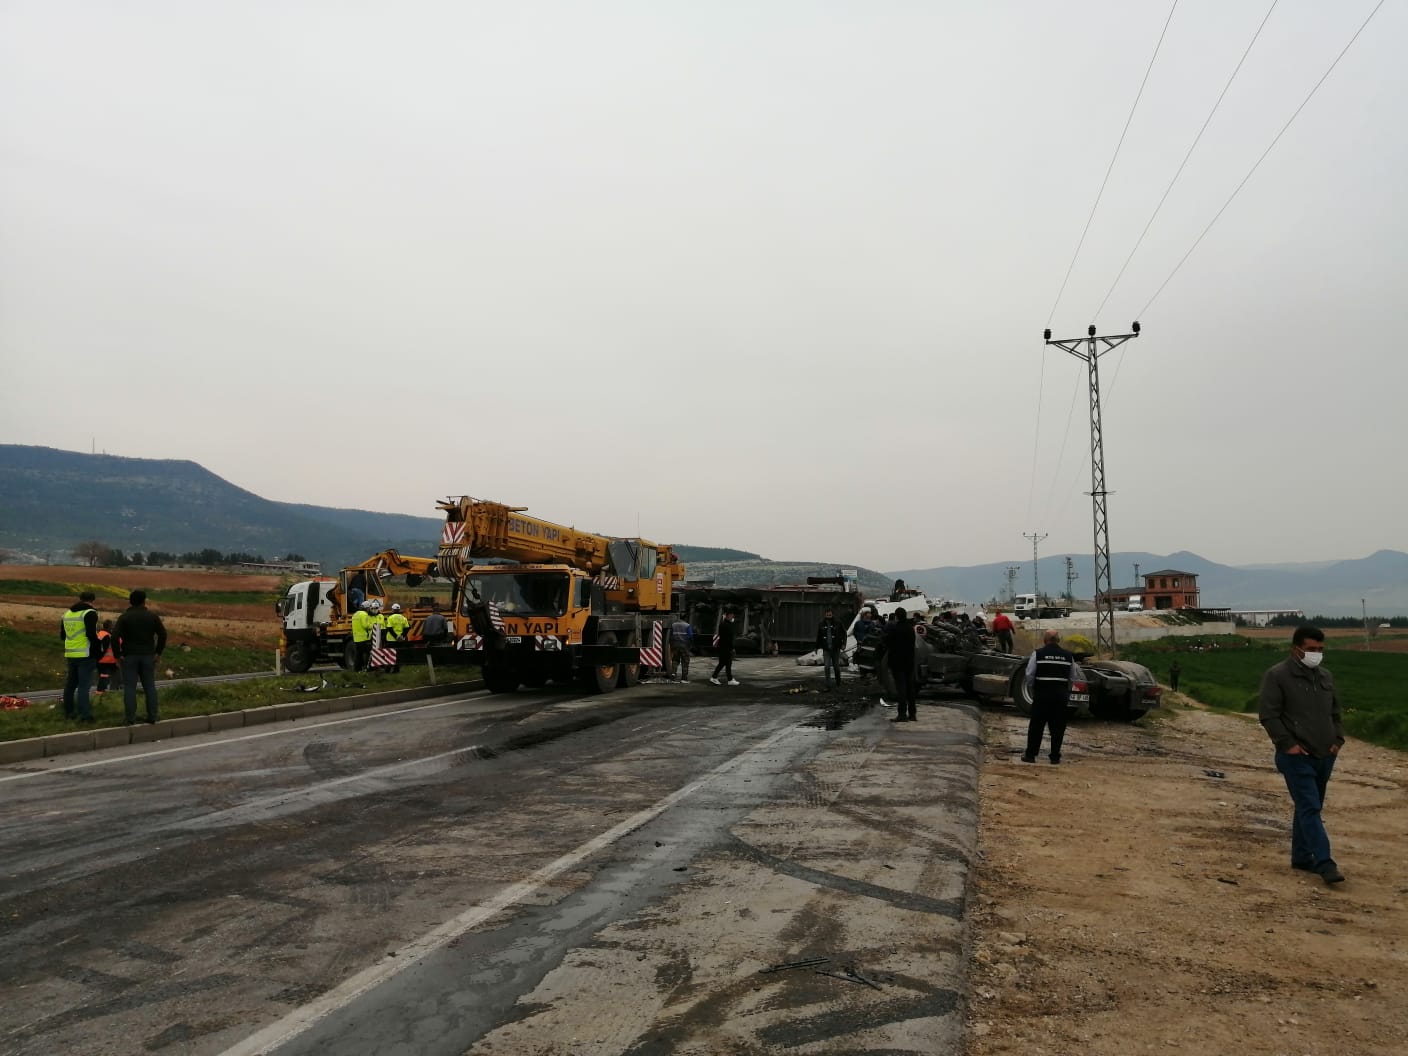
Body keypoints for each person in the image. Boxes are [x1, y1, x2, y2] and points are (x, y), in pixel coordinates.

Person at [1259, 626, 1345, 885]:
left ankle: (1301, 857)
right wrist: (1288, 745)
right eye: (1311, 649)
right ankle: (1325, 862)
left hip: (1325, 754)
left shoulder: (1325, 677)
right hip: (1296, 757)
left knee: (1308, 807)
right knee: (1310, 807)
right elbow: (1269, 715)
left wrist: (1337, 740)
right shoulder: (1278, 676)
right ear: (1296, 649)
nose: (1316, 654)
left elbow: (1335, 712)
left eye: (1320, 650)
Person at [1022, 630, 1082, 763]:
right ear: (1058, 640)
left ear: (1045, 640)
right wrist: (1064, 689)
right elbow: (1074, 676)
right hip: (1060, 696)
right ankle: (1055, 757)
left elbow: (1029, 674)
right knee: (1058, 727)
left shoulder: (1037, 654)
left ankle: (1030, 755)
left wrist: (1035, 686)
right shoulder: (1068, 656)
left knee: (1036, 726)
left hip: (1042, 695)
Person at [113, 590, 168, 725]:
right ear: (144, 601)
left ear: (130, 602)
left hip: (129, 656)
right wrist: (158, 652)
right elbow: (163, 634)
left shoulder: (124, 617)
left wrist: (117, 655)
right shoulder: (152, 616)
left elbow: (114, 637)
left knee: (130, 687)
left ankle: (130, 718)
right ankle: (153, 716)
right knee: (149, 687)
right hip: (148, 656)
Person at [60, 590, 102, 723]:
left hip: (70, 653)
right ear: (92, 600)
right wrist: (98, 649)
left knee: (70, 685)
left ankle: (68, 712)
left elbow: (62, 635)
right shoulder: (90, 613)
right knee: (84, 686)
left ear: (80, 598)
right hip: (85, 654)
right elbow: (91, 634)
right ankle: (85, 715)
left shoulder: (67, 613)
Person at [883, 607, 917, 721]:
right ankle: (912, 714)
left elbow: (888, 642)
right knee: (910, 688)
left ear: (897, 616)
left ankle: (902, 714)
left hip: (898, 663)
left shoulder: (895, 629)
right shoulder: (910, 629)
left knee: (901, 689)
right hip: (909, 662)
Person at [816, 608, 847, 690]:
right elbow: (819, 636)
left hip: (836, 648)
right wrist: (816, 647)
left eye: (830, 615)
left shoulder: (838, 623)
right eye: (827, 615)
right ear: (825, 615)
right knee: (826, 666)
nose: (828, 616)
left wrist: (843, 644)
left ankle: (838, 681)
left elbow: (844, 633)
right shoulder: (821, 624)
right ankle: (828, 684)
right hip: (826, 648)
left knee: (836, 666)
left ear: (832, 614)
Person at [710, 611, 739, 686]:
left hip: (724, 647)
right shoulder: (725, 625)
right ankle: (714, 677)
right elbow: (728, 638)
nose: (733, 617)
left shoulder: (725, 624)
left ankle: (730, 679)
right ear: (727, 616)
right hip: (725, 647)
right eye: (732, 616)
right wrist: (732, 648)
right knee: (723, 663)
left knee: (727, 663)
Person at [96, 619, 122, 695]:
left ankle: (101, 693)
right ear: (110, 626)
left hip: (100, 661)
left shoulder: (99, 634)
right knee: (116, 676)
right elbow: (107, 648)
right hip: (109, 661)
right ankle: (112, 692)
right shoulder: (108, 636)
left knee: (103, 677)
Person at [385, 603, 410, 673]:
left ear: (393, 610)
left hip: (391, 639)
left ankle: (388, 669)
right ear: (399, 610)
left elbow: (389, 628)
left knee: (390, 654)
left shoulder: (390, 618)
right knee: (398, 655)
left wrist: (396, 636)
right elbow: (407, 628)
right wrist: (402, 636)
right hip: (401, 640)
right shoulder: (403, 618)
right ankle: (396, 670)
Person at [351, 601, 375, 672]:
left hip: (356, 638)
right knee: (368, 653)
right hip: (364, 638)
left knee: (358, 654)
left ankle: (357, 669)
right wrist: (373, 625)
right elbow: (366, 626)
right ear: (367, 608)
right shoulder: (364, 614)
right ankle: (368, 668)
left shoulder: (355, 614)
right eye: (369, 608)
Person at [669, 614, 694, 682]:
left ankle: (673, 674)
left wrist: (671, 644)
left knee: (675, 660)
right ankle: (684, 678)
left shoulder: (673, 625)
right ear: (685, 618)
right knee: (685, 661)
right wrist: (690, 644)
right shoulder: (687, 625)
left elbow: (670, 635)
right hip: (684, 645)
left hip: (675, 645)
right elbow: (690, 636)